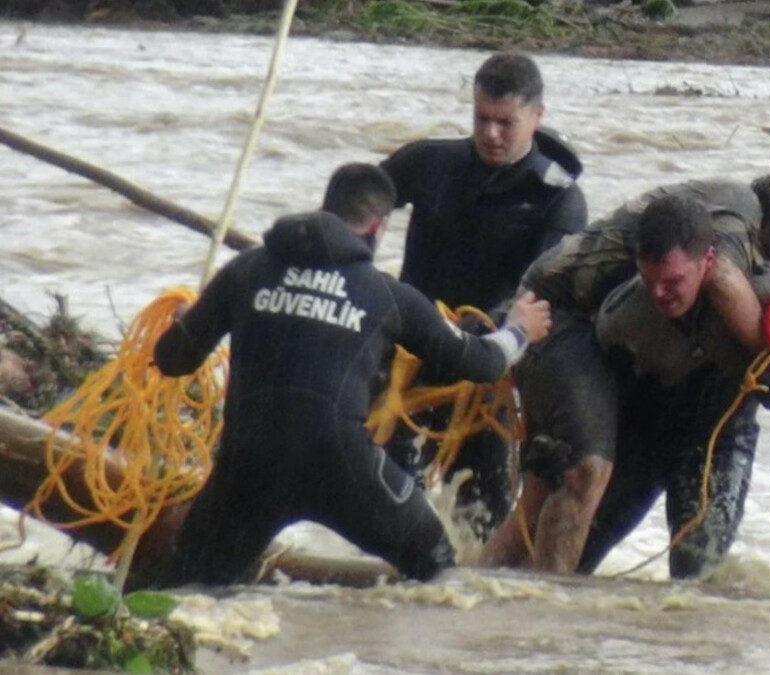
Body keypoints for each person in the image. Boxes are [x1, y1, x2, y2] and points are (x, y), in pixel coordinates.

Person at [152, 163, 551, 586]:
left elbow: (172, 359)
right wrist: (519, 330)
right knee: (436, 567)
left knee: (189, 585)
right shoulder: (384, 294)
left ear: (324, 207)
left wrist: (187, 321)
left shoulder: (246, 270)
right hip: (339, 465)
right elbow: (479, 362)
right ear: (379, 226)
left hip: (249, 464)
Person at [479, 167, 770, 575]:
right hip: (555, 317)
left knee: (551, 500)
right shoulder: (734, 220)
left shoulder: (729, 246)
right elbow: (724, 280)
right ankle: (539, 600)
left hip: (658, 385)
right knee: (585, 471)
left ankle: (486, 587)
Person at [577, 194, 770, 579]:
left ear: (708, 261)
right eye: (651, 281)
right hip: (640, 433)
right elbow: (590, 390)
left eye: (673, 281)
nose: (660, 294)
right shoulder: (619, 319)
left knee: (696, 572)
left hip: (721, 436)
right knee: (576, 555)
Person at [378, 51, 587, 537]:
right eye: (481, 119)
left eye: (505, 122)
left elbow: (545, 291)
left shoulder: (559, 198)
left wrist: (491, 324)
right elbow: (357, 205)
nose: (491, 134)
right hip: (409, 358)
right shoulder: (428, 162)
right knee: (383, 503)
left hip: (488, 373)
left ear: (537, 116)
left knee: (479, 523)